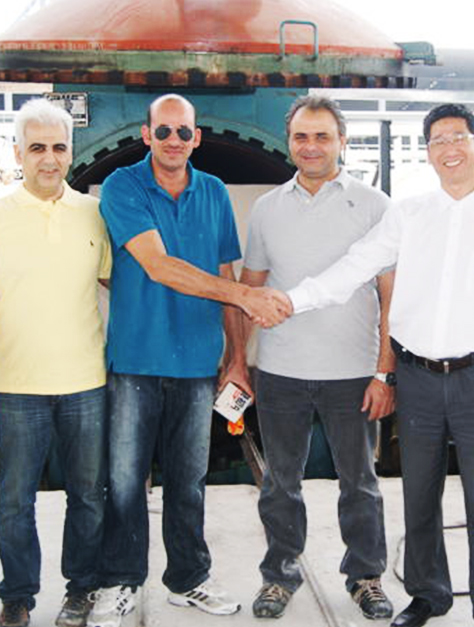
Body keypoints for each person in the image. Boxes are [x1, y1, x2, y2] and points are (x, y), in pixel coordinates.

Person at [280, 103, 474, 627]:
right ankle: (427, 594)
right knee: (418, 492)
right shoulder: (408, 215)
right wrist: (291, 300)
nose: (449, 149)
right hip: (418, 377)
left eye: (458, 137)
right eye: (438, 141)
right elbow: (354, 267)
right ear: (427, 152)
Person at [87, 94, 285, 627]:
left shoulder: (213, 191)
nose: (173, 140)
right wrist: (247, 296)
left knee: (188, 480)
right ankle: (120, 581)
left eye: (182, 132)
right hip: (135, 362)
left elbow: (224, 273)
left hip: (198, 364)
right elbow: (158, 266)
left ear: (196, 138)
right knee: (125, 481)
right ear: (146, 135)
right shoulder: (124, 186)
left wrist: (237, 359)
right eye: (163, 131)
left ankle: (189, 579)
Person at [225, 95, 396, 620]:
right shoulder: (268, 209)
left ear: (342, 141)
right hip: (281, 373)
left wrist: (384, 370)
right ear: (289, 142)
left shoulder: (375, 205)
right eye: (301, 136)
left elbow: (391, 295)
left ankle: (365, 576)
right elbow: (249, 290)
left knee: (360, 483)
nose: (311, 146)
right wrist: (237, 362)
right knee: (280, 483)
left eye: (322, 136)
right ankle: (279, 576)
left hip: (352, 374)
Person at [0, 99, 111, 627]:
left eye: (59, 147)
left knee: (88, 496)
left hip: (85, 381)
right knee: (12, 501)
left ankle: (81, 590)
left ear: (71, 152)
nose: (49, 158)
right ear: (17, 152)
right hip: (13, 383)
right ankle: (17, 596)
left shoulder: (94, 214)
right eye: (37, 147)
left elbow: (120, 282)